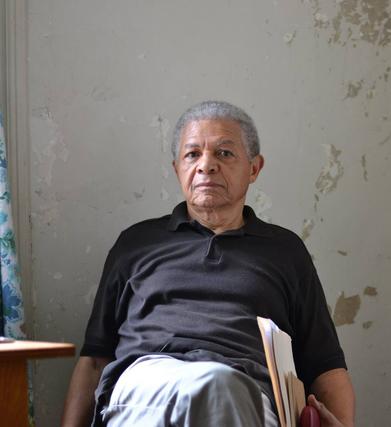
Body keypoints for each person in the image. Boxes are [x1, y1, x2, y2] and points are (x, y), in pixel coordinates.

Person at [61, 101, 355, 427]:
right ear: (177, 169)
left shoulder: (285, 250)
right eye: (192, 154)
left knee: (220, 386)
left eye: (224, 153)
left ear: (254, 168)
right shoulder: (136, 243)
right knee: (213, 385)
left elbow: (325, 367)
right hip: (145, 389)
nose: (206, 165)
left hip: (248, 393)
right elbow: (93, 362)